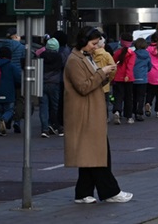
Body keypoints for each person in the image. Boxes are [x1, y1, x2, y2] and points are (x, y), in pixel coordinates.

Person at [63, 26, 132, 204]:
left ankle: (83, 192)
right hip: (85, 113)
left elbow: (92, 81)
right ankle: (110, 191)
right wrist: (102, 72)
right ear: (83, 41)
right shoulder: (74, 60)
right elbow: (83, 86)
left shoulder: (85, 57)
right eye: (93, 43)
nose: (96, 47)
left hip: (90, 111)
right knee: (98, 155)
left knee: (91, 155)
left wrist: (105, 75)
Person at [39, 38, 64, 137]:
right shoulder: (59, 57)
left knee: (43, 106)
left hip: (42, 83)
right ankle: (56, 125)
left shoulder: (41, 56)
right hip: (54, 83)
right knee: (55, 106)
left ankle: (44, 128)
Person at [0, 46, 21, 137]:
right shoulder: (12, 66)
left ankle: (0, 129)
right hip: (9, 92)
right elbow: (18, 78)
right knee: (9, 110)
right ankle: (4, 120)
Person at [112, 32, 136, 125]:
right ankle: (129, 116)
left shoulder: (117, 53)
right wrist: (127, 75)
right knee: (128, 97)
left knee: (118, 96)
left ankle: (117, 111)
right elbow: (130, 66)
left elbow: (113, 64)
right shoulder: (131, 54)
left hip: (118, 77)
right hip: (128, 79)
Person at [6, 27, 26, 134]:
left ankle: (8, 118)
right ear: (15, 36)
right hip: (19, 76)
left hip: (8, 76)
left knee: (10, 99)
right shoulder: (21, 47)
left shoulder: (4, 45)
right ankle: (17, 121)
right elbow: (25, 61)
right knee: (20, 99)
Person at [93, 35, 116, 123]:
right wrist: (110, 78)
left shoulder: (91, 54)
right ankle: (105, 117)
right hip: (105, 82)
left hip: (94, 82)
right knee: (105, 101)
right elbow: (113, 68)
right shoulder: (106, 54)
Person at [131, 38, 151, 122]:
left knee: (133, 96)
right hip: (143, 78)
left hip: (133, 78)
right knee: (141, 97)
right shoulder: (147, 55)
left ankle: (133, 110)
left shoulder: (133, 54)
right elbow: (150, 66)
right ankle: (139, 112)